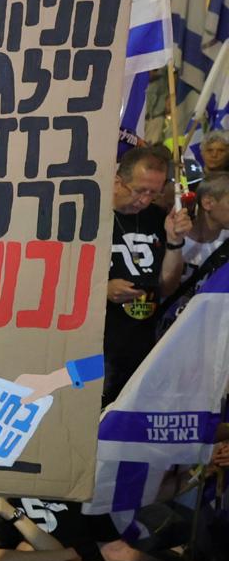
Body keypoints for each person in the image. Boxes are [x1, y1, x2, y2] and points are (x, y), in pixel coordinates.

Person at [103, 145, 174, 402]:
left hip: (142, 341)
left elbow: (168, 286)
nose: (144, 200)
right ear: (117, 181)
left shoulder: (157, 218)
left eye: (153, 194)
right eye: (139, 190)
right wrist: (103, 289)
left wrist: (175, 242)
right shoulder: (90, 214)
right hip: (99, 344)